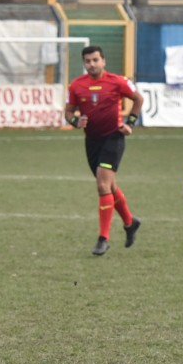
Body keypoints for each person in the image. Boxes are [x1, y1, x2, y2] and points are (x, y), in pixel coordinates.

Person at [66, 45, 143, 256]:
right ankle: (130, 222)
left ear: (103, 61)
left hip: (114, 137)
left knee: (102, 184)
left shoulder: (117, 81)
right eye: (88, 61)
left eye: (95, 60)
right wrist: (75, 121)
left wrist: (131, 123)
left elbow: (138, 99)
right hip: (91, 141)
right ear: (84, 63)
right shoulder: (76, 86)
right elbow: (68, 112)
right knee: (109, 186)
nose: (92, 64)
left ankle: (103, 238)